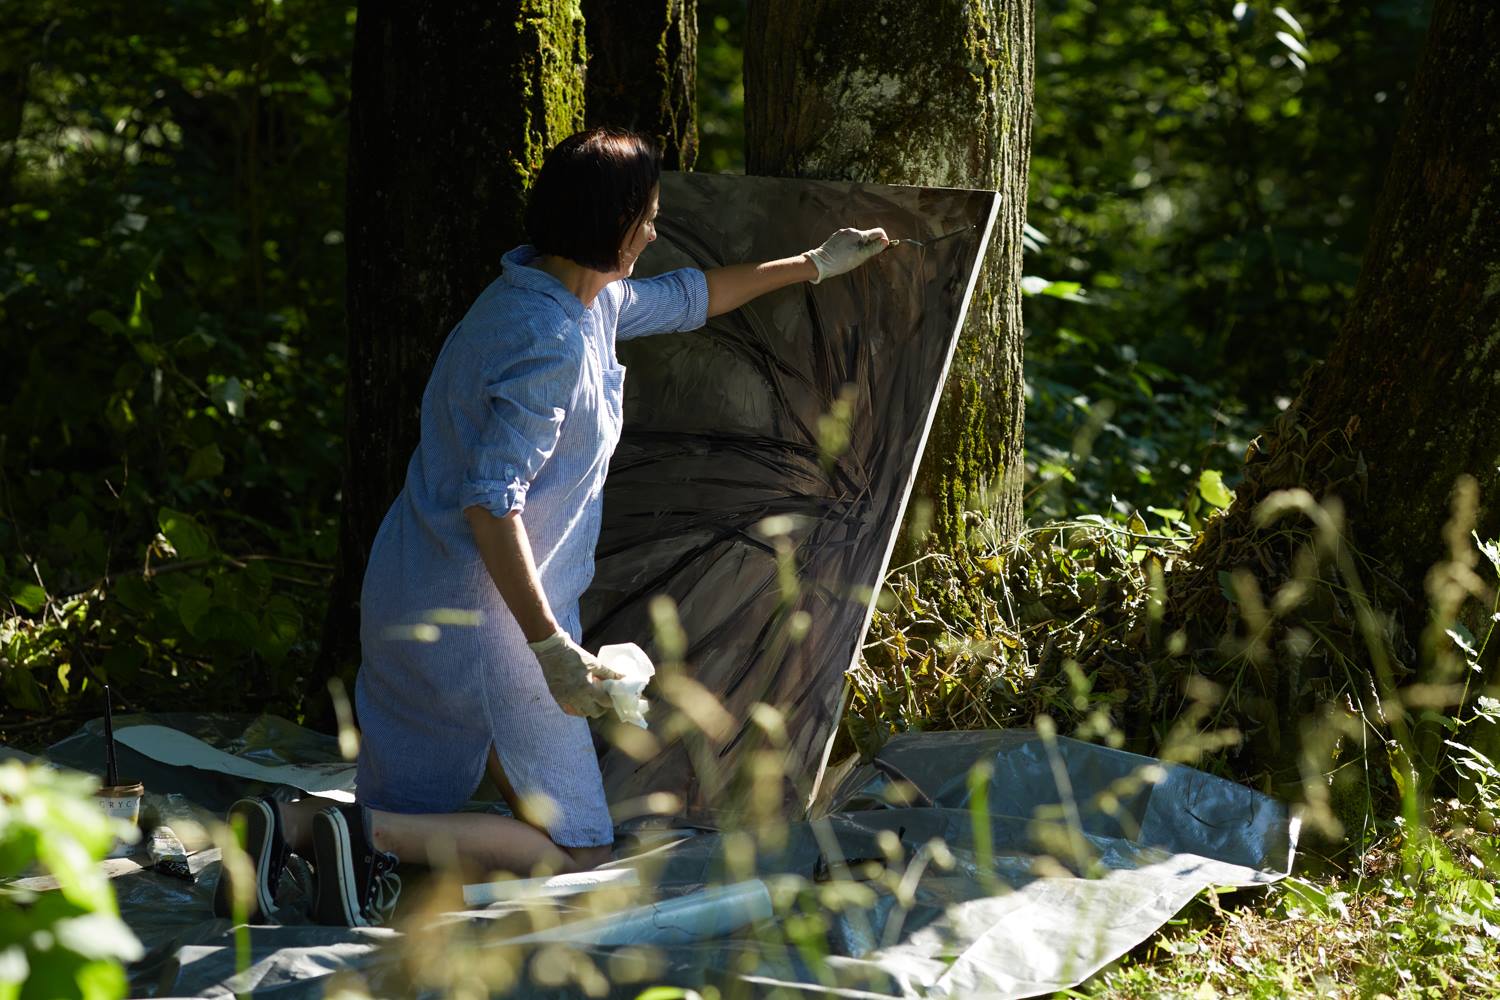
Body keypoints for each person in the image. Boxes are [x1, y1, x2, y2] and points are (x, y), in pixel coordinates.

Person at [212, 127, 889, 927]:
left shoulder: (548, 295)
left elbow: (690, 297)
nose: (654, 231)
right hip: (495, 622)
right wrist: (547, 648)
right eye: (647, 216)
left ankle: (320, 840)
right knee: (580, 856)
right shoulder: (554, 339)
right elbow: (491, 499)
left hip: (411, 590)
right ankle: (312, 825)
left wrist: (814, 263)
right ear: (611, 220)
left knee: (425, 820)